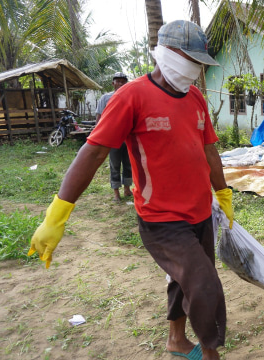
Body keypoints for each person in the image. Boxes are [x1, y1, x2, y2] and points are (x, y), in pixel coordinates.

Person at [28, 20, 232, 360]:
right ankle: (212, 355)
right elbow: (93, 151)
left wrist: (222, 193)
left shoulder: (195, 97)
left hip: (200, 212)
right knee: (204, 284)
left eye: (200, 62)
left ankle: (176, 340)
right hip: (161, 220)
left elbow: (209, 148)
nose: (195, 69)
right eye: (189, 59)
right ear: (165, 54)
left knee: (183, 279)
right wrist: (57, 213)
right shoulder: (131, 97)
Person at [95, 71, 133, 201]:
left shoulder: (130, 97)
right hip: (112, 138)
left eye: (123, 81)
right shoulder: (105, 98)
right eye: (118, 81)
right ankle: (116, 192)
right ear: (113, 83)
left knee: (128, 163)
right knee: (115, 164)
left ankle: (127, 189)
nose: (120, 84)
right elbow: (99, 118)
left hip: (128, 136)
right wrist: (99, 137)